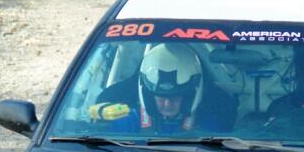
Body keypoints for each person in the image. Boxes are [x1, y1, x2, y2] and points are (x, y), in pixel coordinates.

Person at [95, 43, 235, 134]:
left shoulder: (208, 126)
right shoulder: (129, 120)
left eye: (174, 97)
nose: (167, 104)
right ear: (149, 95)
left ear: (189, 96)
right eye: (161, 97)